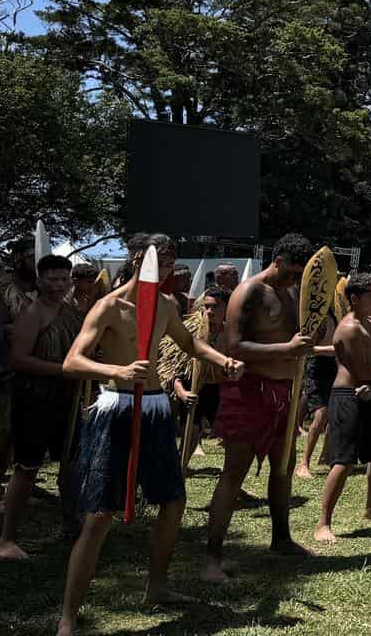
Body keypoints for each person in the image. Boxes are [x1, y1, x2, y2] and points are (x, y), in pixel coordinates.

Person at [57, 233, 243, 636]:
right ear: (139, 258)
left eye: (174, 257)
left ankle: (156, 586)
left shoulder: (164, 305)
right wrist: (116, 372)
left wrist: (222, 358)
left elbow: (189, 342)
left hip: (156, 409)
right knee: (99, 516)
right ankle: (69, 617)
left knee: (173, 503)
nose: (169, 265)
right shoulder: (109, 306)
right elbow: (73, 361)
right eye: (163, 256)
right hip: (117, 409)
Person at [203, 233, 315, 583]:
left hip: (284, 392)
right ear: (276, 261)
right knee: (235, 471)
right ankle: (211, 559)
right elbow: (233, 346)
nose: (294, 279)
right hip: (247, 390)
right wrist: (287, 349)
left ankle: (281, 539)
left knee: (284, 466)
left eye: (300, 274)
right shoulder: (248, 291)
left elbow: (303, 334)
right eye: (291, 272)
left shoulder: (294, 291)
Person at [0, 255, 83, 559]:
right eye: (52, 279)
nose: (58, 285)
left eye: (64, 279)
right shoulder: (32, 313)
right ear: (40, 280)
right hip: (34, 399)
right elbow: (18, 359)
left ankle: (72, 525)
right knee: (27, 468)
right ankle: (7, 539)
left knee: (72, 464)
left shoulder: (72, 313)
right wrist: (64, 369)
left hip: (68, 399)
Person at [313, 274, 371, 543]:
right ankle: (323, 522)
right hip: (346, 396)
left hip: (368, 394)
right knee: (343, 461)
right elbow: (361, 370)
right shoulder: (348, 328)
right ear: (354, 298)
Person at [0, 241, 36, 515]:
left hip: (35, 368)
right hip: (6, 368)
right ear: (17, 259)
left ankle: (22, 483)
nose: (34, 260)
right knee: (8, 430)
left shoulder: (41, 289)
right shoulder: (2, 291)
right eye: (30, 257)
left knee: (29, 429)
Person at [172, 287, 231, 469]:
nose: (210, 311)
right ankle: (178, 473)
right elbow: (174, 372)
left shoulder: (232, 334)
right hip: (193, 389)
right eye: (207, 307)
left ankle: (231, 481)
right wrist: (182, 393)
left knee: (231, 440)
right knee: (191, 435)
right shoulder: (189, 332)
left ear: (227, 308)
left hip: (219, 390)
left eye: (215, 307)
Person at [294, 312, 337, 479]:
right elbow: (306, 348)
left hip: (334, 366)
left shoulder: (336, 314)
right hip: (318, 366)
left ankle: (326, 455)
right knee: (321, 413)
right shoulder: (317, 317)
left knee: (333, 412)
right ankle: (304, 463)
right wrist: (332, 349)